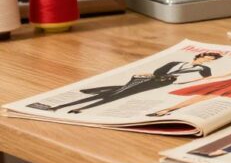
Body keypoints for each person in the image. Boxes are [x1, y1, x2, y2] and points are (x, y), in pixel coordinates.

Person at [37, 52, 221, 114]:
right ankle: (63, 106)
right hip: (148, 79)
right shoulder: (175, 63)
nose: (207, 61)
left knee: (119, 94)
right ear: (200, 55)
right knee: (112, 93)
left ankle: (79, 109)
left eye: (210, 59)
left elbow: (202, 81)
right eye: (206, 57)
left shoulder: (204, 71)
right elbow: (157, 71)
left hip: (160, 85)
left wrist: (174, 82)